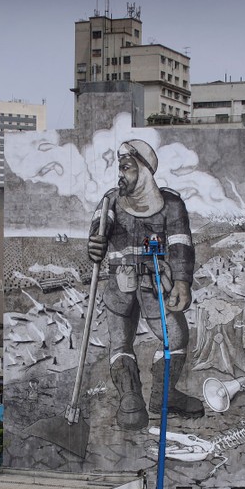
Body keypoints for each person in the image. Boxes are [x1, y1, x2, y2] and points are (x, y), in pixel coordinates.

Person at [88, 139, 204, 430]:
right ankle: (130, 400)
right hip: (119, 283)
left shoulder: (171, 204)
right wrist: (95, 245)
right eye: (120, 169)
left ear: (144, 170)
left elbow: (181, 243)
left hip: (156, 283)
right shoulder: (110, 202)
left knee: (175, 337)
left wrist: (182, 282)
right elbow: (96, 235)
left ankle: (163, 396)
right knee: (121, 341)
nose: (121, 175)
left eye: (127, 168)